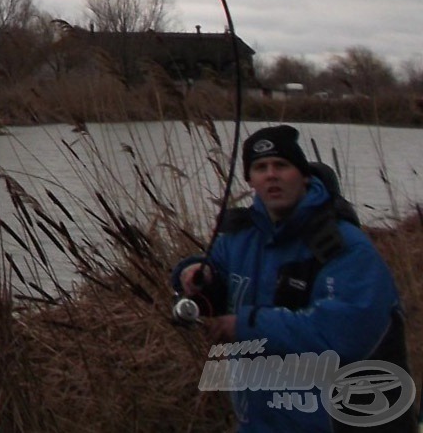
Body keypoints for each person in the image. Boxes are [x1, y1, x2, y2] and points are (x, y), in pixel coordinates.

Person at [173, 124, 415, 432]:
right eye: (261, 168)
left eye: (281, 165)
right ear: (250, 181)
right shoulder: (237, 238)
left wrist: (246, 326)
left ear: (303, 175)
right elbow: (212, 288)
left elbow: (341, 335)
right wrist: (193, 275)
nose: (271, 174)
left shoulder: (345, 246)